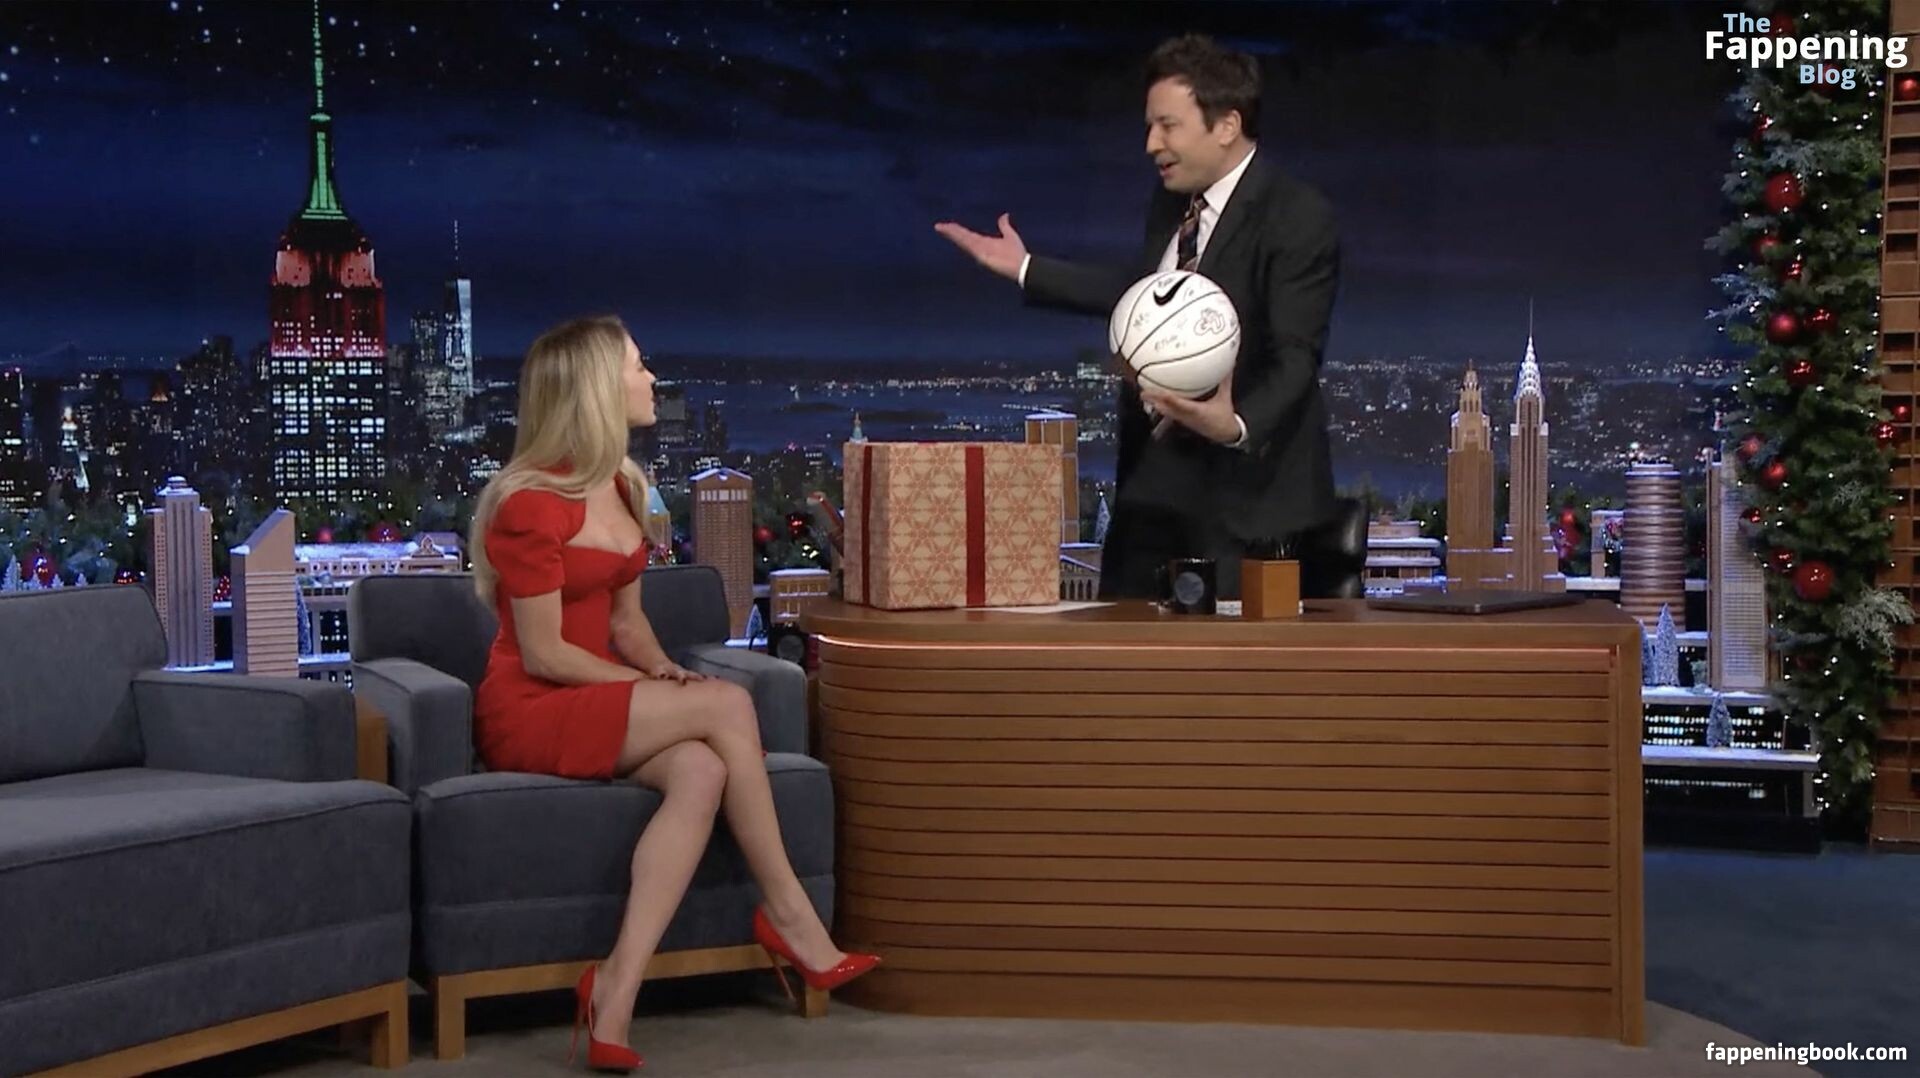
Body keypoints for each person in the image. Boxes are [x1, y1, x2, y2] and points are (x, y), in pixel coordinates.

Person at [468, 316, 878, 1072]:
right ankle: (790, 915)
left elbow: (626, 623)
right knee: (727, 704)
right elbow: (545, 652)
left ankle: (615, 989)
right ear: (596, 389)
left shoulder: (624, 487)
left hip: (600, 696)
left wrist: (663, 671)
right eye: (637, 366)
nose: (652, 379)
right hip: (530, 707)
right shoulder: (528, 504)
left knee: (703, 767)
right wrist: (652, 688)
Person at [935, 33, 1341, 600]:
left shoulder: (1296, 214)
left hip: (1246, 505)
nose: (1151, 144)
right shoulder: (1172, 201)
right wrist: (1026, 268)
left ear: (1226, 124)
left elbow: (1296, 354)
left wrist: (1235, 423)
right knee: (1117, 647)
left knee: (1219, 658)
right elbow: (1146, 297)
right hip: (1151, 493)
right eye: (1149, 127)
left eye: (1167, 126)